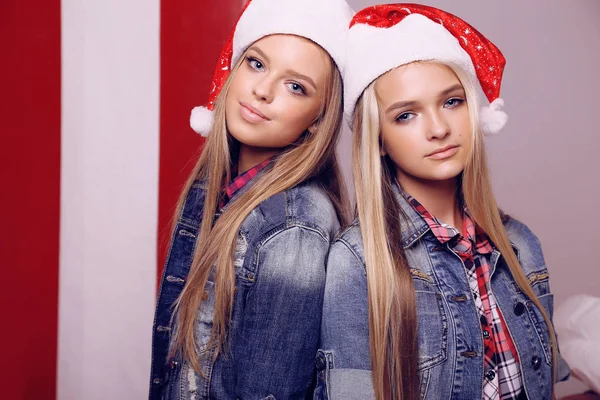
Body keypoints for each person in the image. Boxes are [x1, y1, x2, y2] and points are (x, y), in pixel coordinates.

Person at [318, 4, 569, 399]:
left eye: (452, 101)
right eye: (406, 115)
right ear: (378, 139)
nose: (438, 129)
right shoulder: (357, 262)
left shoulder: (521, 244)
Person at [149, 0, 354, 398]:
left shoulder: (293, 227)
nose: (262, 90)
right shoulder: (218, 191)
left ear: (318, 118)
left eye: (296, 87)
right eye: (257, 64)